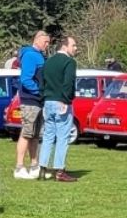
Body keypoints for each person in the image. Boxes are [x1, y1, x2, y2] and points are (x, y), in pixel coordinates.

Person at [38, 35, 79, 182]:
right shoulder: (69, 62)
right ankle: (59, 171)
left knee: (48, 136)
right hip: (61, 102)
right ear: (64, 46)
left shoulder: (47, 62)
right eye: (73, 45)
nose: (76, 48)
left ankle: (42, 169)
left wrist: (44, 98)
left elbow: (41, 82)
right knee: (62, 137)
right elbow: (68, 83)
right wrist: (66, 100)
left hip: (48, 102)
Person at [14, 30, 50, 180]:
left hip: (39, 100)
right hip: (30, 100)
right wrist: (39, 91)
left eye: (48, 42)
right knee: (27, 133)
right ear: (36, 40)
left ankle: (34, 166)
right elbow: (26, 79)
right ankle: (19, 167)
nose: (47, 45)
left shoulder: (41, 56)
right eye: (45, 41)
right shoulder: (30, 55)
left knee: (35, 135)